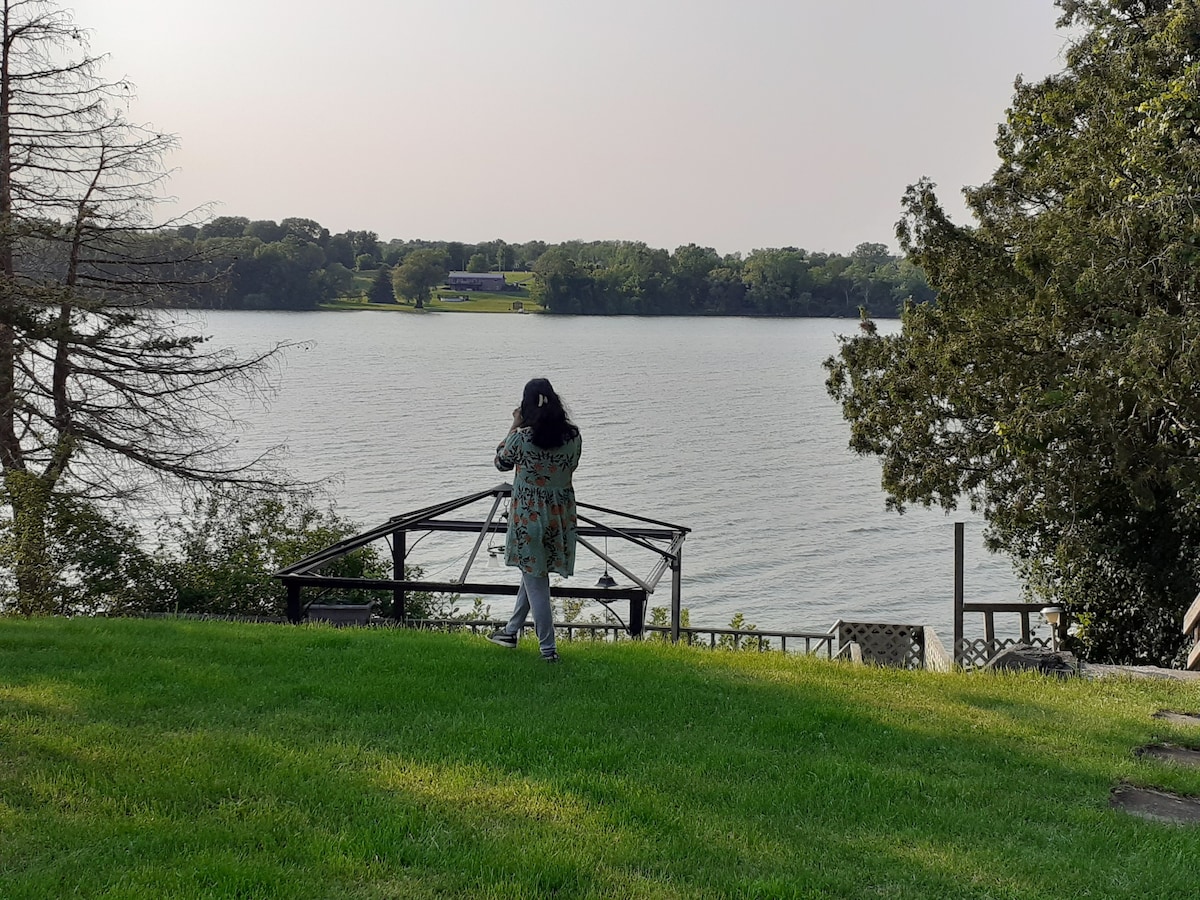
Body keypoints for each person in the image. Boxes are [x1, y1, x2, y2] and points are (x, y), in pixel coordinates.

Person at [488, 378, 582, 663]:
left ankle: (548, 651)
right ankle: (510, 631)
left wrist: (514, 424)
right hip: (560, 515)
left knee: (536, 581)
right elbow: (572, 465)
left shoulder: (523, 437)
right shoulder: (573, 436)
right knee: (534, 576)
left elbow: (501, 462)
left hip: (529, 515)